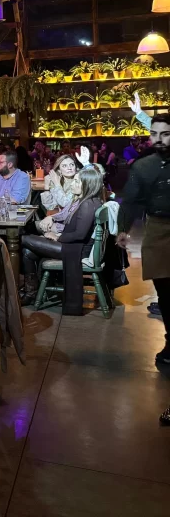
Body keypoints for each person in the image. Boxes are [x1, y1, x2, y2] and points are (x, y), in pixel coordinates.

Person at [118, 114, 170, 366]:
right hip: (157, 230)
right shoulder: (142, 166)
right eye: (154, 134)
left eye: (165, 134)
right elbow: (130, 201)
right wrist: (123, 229)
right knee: (165, 291)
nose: (159, 139)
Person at [22, 167, 105, 305]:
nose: (72, 184)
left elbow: (80, 235)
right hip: (74, 246)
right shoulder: (87, 200)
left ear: (87, 185)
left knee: (23, 239)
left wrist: (57, 237)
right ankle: (32, 292)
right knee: (27, 252)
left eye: (77, 182)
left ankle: (27, 291)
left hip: (76, 251)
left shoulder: (88, 204)